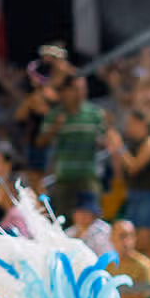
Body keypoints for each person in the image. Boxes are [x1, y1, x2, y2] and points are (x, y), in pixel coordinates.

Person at [38, 73, 106, 222]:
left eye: (83, 89)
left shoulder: (95, 114)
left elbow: (105, 139)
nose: (80, 93)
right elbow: (41, 142)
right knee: (64, 221)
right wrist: (55, 128)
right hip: (64, 177)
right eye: (75, 89)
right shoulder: (54, 115)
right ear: (64, 92)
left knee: (93, 221)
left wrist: (104, 140)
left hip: (88, 176)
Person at [106, 111, 150, 258]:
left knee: (146, 245)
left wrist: (120, 147)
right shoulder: (131, 145)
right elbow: (121, 174)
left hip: (149, 198)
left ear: (142, 123)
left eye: (132, 124)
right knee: (136, 248)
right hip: (133, 197)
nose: (129, 128)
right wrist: (115, 152)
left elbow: (134, 167)